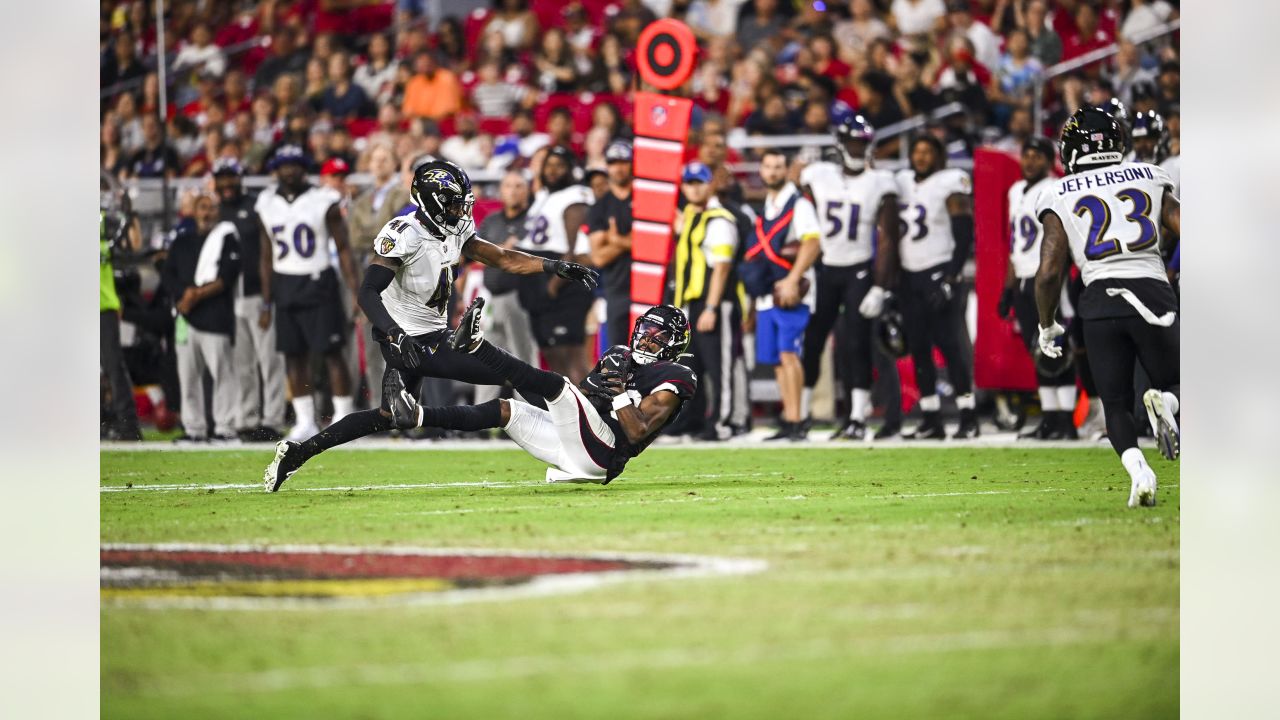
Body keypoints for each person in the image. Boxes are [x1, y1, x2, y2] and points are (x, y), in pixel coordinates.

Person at [263, 160, 598, 491]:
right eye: (453, 203)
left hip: (429, 334)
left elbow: (502, 257)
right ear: (432, 201)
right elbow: (367, 292)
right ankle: (574, 443)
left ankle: (297, 453)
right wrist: (394, 334)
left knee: (388, 416)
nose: (461, 210)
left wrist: (554, 266)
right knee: (511, 373)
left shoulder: (453, 230)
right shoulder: (404, 234)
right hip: (409, 339)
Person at [269, 302, 696, 488]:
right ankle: (415, 417)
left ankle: (480, 347)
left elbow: (636, 432)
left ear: (674, 345)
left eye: (658, 336)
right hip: (578, 446)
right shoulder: (621, 355)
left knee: (556, 387)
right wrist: (599, 387)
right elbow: (582, 401)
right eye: (646, 331)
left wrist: (618, 392)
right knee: (507, 409)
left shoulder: (676, 374)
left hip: (604, 455)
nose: (648, 339)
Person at [1033, 106, 1180, 508]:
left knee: (1114, 403)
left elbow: (1048, 271)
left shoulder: (1057, 192)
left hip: (1098, 299)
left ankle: (1140, 473)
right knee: (1180, 379)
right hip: (1152, 290)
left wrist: (1046, 325)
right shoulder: (1150, 174)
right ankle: (1166, 402)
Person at [798, 115, 903, 441]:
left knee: (857, 343)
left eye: (862, 142)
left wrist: (880, 285)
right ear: (841, 143)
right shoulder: (818, 175)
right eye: (853, 141)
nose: (858, 148)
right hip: (825, 267)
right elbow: (800, 212)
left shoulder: (880, 181)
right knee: (812, 341)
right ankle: (799, 415)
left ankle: (857, 417)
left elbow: (888, 239)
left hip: (859, 268)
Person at [255, 145, 362, 441]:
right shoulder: (265, 202)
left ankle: (344, 415)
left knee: (332, 351)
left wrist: (355, 292)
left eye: (295, 165)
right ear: (276, 169)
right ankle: (305, 420)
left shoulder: (323, 200)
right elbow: (265, 256)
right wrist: (266, 301)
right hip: (285, 283)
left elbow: (343, 249)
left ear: (304, 168)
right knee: (293, 354)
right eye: (284, 165)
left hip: (319, 281)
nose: (290, 171)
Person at [894, 134, 978, 439]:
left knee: (951, 346)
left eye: (928, 151)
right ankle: (931, 417)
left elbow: (964, 232)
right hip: (908, 275)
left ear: (939, 156)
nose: (921, 157)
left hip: (940, 270)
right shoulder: (902, 181)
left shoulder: (950, 181)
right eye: (916, 151)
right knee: (917, 348)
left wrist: (952, 276)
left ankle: (968, 416)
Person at [996, 137, 1077, 440]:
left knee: (1060, 346)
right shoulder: (1016, 191)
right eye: (1026, 155)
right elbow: (1016, 244)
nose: (1029, 161)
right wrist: (1008, 287)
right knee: (1038, 348)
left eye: (1036, 156)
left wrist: (1058, 276)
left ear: (1048, 160)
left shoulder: (1057, 187)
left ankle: (1066, 420)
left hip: (1050, 277)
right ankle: (1050, 418)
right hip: (1025, 277)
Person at [740, 149, 822, 441]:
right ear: (761, 171)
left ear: (786, 170)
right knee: (776, 359)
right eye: (768, 167)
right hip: (767, 293)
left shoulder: (798, 204)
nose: (772, 172)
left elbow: (812, 243)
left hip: (791, 292)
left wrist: (792, 279)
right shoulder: (769, 205)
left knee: (789, 354)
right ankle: (789, 418)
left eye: (778, 167)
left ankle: (798, 419)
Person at [673, 162, 748, 441]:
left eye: (699, 182)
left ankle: (724, 422)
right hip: (691, 302)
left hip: (716, 302)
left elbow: (722, 268)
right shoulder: (691, 215)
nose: (694, 188)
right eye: (689, 183)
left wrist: (712, 307)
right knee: (693, 365)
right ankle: (694, 420)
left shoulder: (719, 219)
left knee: (720, 368)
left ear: (710, 184)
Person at [213, 159, 286, 442]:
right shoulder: (217, 211)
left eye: (231, 177)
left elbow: (268, 254)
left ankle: (273, 419)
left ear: (241, 178)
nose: (226, 183)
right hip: (229, 296)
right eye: (221, 178)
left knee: (269, 360)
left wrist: (268, 300)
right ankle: (247, 418)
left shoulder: (255, 206)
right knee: (241, 362)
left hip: (258, 293)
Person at [161, 193, 242, 443]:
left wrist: (194, 295)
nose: (206, 213)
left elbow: (226, 278)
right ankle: (194, 428)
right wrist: (182, 297)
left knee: (223, 375)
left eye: (211, 208)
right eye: (202, 208)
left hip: (214, 317)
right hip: (186, 318)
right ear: (194, 211)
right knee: (187, 377)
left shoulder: (227, 238)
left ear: (217, 212)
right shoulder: (182, 241)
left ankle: (225, 428)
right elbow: (168, 274)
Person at [517, 145, 596, 384]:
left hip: (559, 277)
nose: (552, 171)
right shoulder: (543, 195)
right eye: (548, 165)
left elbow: (573, 247)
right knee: (552, 354)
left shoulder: (575, 195)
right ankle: (566, 413)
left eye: (559, 166)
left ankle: (590, 414)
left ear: (571, 170)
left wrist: (554, 284)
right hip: (537, 274)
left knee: (570, 353)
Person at [346, 143, 410, 409]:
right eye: (376, 158)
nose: (380, 163)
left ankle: (405, 406)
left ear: (394, 163)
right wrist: (378, 235)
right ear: (369, 164)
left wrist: (373, 235)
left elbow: (395, 232)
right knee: (372, 348)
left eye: (386, 158)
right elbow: (354, 239)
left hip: (395, 279)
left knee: (400, 347)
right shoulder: (361, 200)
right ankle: (380, 406)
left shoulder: (402, 196)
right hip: (366, 277)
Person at [474, 170, 540, 406]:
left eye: (519, 186)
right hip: (491, 296)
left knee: (523, 357)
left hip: (519, 296)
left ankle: (531, 412)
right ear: (501, 191)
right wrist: (503, 249)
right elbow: (477, 254)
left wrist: (498, 251)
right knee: (487, 357)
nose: (513, 191)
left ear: (528, 190)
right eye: (508, 186)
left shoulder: (534, 220)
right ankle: (479, 417)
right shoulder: (491, 221)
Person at [100, 202, 143, 441]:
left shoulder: (104, 219)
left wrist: (131, 214)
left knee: (114, 366)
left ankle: (128, 426)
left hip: (103, 305)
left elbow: (134, 245)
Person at [587, 140, 635, 348]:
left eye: (623, 161)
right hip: (617, 290)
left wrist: (614, 240)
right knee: (620, 356)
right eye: (613, 162)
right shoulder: (600, 206)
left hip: (651, 288)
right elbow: (598, 257)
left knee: (654, 357)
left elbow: (657, 245)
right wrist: (630, 241)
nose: (618, 167)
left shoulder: (646, 198)